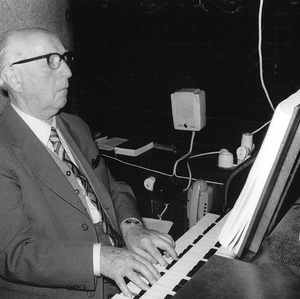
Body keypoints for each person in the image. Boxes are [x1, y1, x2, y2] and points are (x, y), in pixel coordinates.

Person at [0, 27, 178, 299]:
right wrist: (103, 259)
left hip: (123, 267)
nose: (68, 72)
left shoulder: (74, 126)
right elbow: (14, 254)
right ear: (13, 77)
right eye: (51, 61)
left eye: (64, 58)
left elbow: (113, 188)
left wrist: (132, 227)